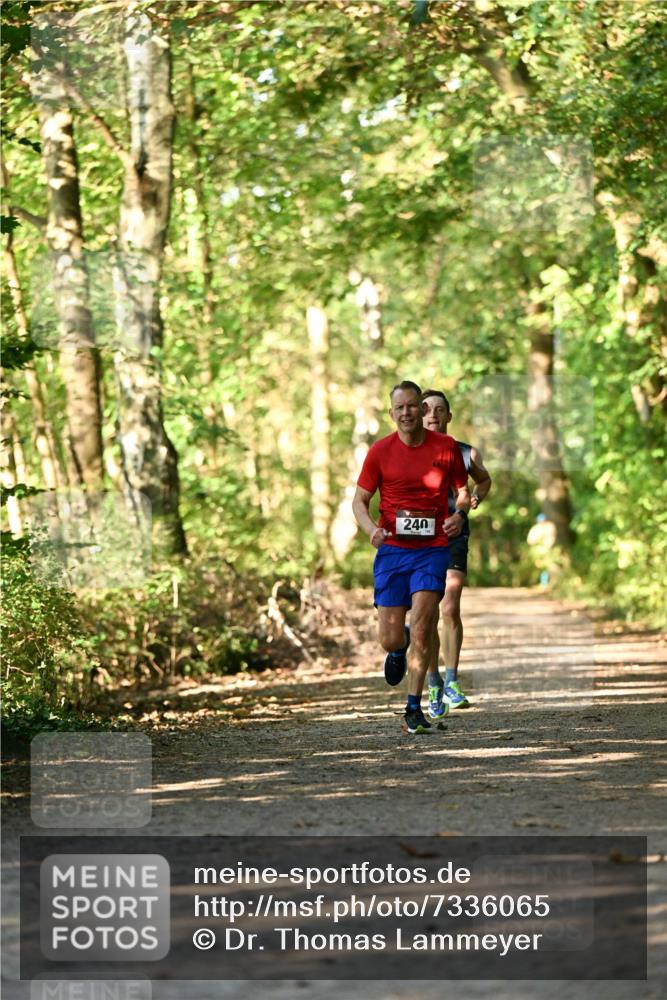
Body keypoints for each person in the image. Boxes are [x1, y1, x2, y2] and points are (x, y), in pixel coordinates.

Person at [352, 380, 471, 734]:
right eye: (399, 407)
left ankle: (413, 707)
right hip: (392, 551)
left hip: (432, 550)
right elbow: (359, 501)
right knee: (391, 638)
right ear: (392, 414)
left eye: (412, 406)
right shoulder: (379, 452)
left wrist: (458, 515)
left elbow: (462, 492)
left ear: (422, 409)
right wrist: (370, 528)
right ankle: (396, 645)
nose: (407, 412)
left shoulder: (446, 447)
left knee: (423, 626)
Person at [421, 389, 492, 718]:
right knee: (427, 611)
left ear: (449, 416)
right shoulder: (408, 452)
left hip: (453, 534)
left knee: (449, 606)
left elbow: (484, 480)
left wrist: (475, 498)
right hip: (420, 541)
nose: (432, 415)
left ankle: (451, 681)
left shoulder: (465, 453)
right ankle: (433, 680)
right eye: (426, 410)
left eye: (439, 410)